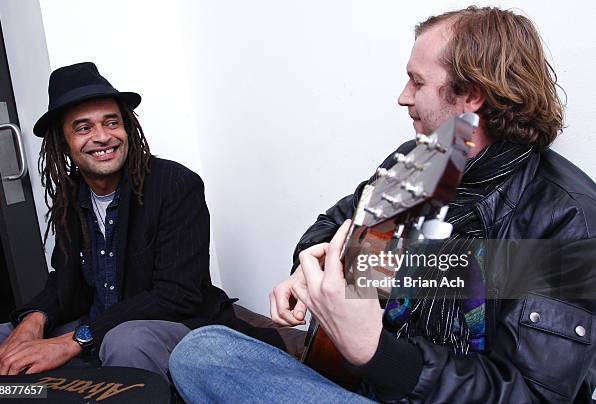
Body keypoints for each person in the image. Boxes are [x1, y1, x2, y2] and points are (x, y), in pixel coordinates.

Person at [168, 6, 596, 403]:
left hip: (408, 385)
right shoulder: (423, 160)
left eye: (418, 81)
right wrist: (310, 267)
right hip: (360, 384)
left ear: (472, 95)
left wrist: (377, 350)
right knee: (200, 350)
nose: (403, 96)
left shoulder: (566, 218)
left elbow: (531, 395)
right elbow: (337, 222)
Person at [0, 62, 233, 381]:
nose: (102, 137)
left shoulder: (175, 185)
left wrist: (74, 341)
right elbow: (64, 279)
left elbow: (176, 295)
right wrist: (33, 321)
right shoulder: (70, 197)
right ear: (64, 142)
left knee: (126, 341)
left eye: (111, 122)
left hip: (168, 323)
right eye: (83, 127)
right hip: (92, 322)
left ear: (127, 128)